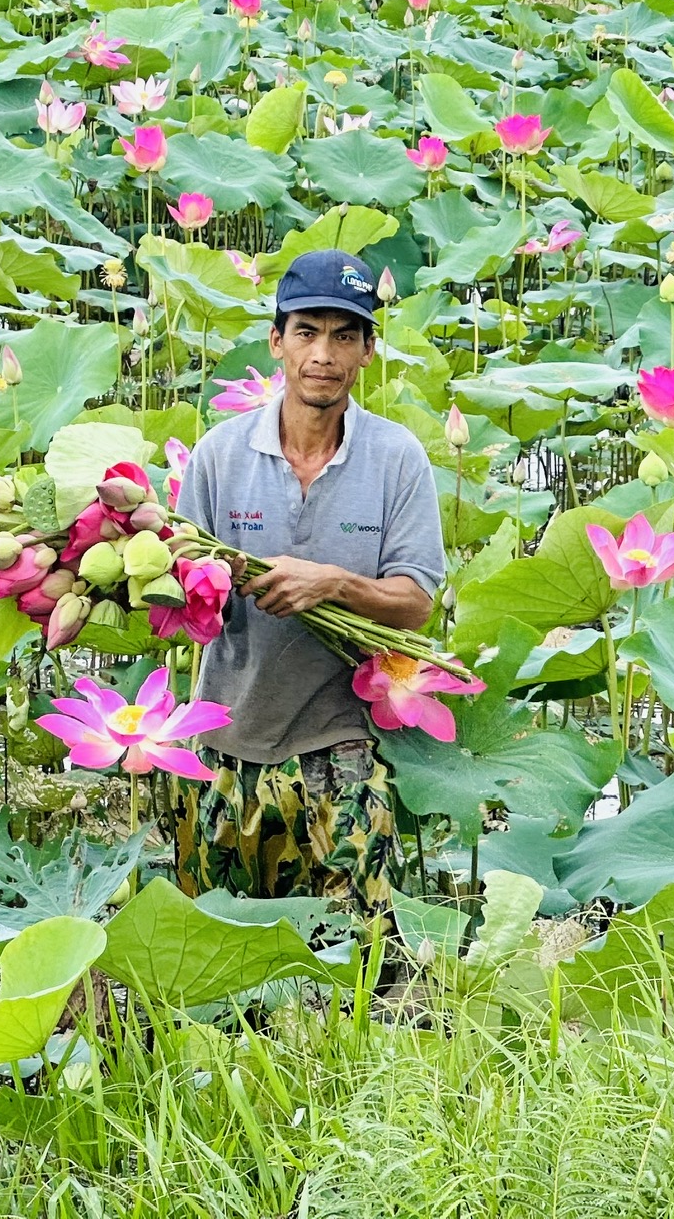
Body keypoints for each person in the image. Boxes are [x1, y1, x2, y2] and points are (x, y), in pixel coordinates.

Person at [171, 248, 445, 910]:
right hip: (223, 740)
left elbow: (415, 604)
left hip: (340, 744)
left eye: (344, 336)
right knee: (220, 955)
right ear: (277, 342)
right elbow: (178, 596)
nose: (323, 353)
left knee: (349, 955)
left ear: (367, 352)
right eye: (307, 332)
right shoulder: (218, 455)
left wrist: (331, 583)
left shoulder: (397, 459)